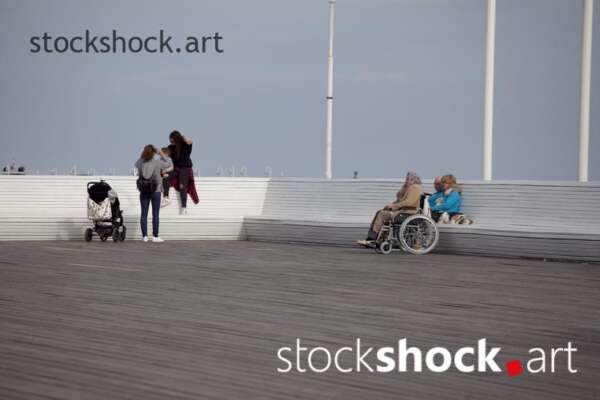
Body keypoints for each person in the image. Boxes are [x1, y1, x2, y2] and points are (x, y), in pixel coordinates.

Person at [358, 171, 423, 245]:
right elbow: (399, 200)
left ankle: (372, 239)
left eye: (409, 179)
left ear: (415, 179)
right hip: (402, 212)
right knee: (380, 212)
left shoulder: (415, 188)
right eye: (407, 178)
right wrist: (391, 205)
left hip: (408, 213)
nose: (407, 180)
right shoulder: (408, 187)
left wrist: (395, 206)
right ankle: (375, 238)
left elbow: (409, 202)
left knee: (382, 214)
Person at [134, 145, 172, 242]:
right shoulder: (157, 162)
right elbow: (168, 163)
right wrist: (161, 153)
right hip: (156, 190)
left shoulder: (140, 163)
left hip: (143, 191)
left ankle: (145, 237)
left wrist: (143, 154)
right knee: (155, 215)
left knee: (144, 214)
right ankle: (155, 236)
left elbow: (136, 163)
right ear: (154, 153)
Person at [167, 130, 196, 214]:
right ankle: (166, 197)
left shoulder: (185, 145)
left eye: (172, 140)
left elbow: (190, 141)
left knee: (182, 186)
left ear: (176, 139)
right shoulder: (170, 147)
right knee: (164, 176)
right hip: (175, 169)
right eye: (170, 140)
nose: (170, 142)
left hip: (185, 169)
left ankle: (184, 207)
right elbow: (165, 153)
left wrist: (183, 138)